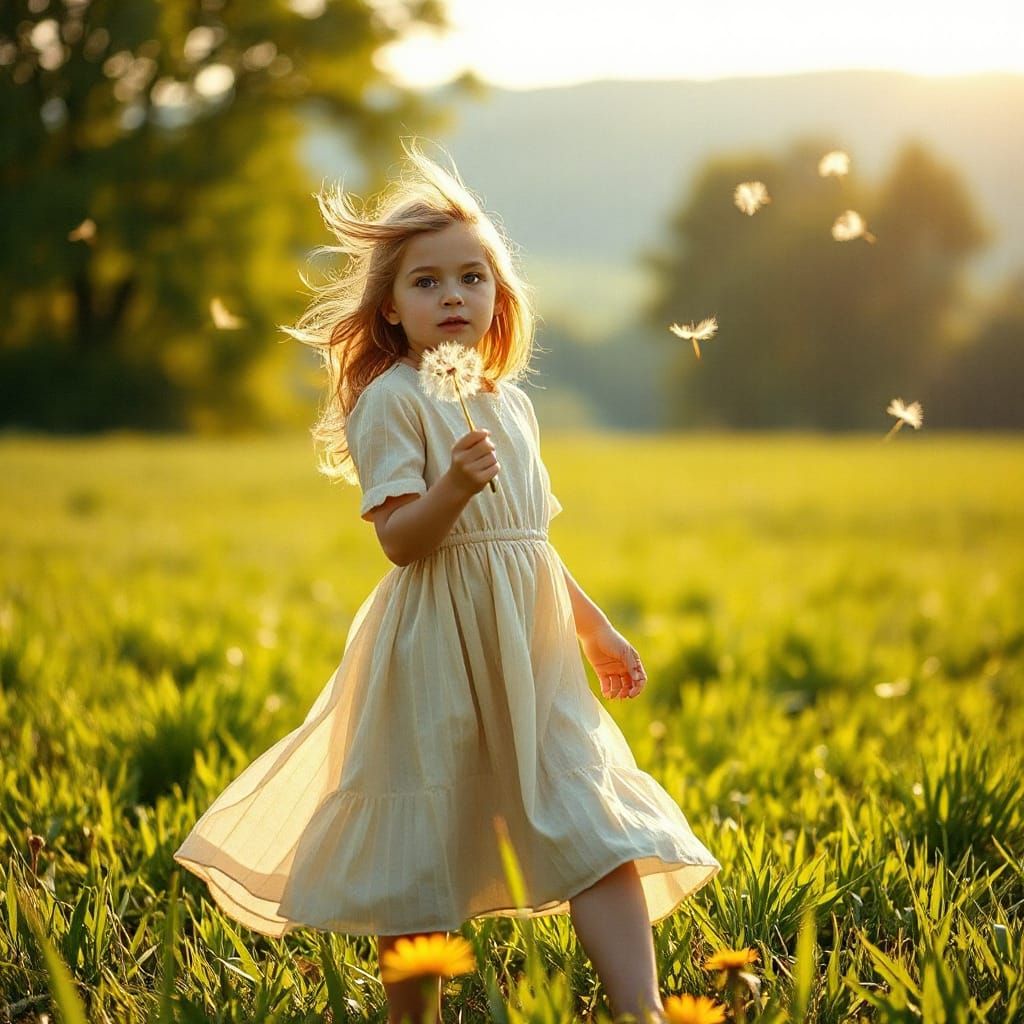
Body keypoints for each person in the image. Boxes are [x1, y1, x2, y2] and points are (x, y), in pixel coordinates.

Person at [173, 138, 721, 1024]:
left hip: (529, 649)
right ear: (390, 310)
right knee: (422, 842)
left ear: (498, 298)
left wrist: (595, 629)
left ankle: (641, 1009)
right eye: (426, 282)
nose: (452, 295)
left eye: (471, 278)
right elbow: (399, 540)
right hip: (436, 647)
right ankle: (412, 1017)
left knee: (590, 815)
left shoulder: (510, 401)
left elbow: (530, 541)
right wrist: (453, 486)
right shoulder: (390, 400)